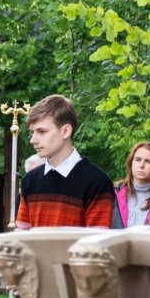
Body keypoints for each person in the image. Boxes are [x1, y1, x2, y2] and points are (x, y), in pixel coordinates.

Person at [14, 95, 114, 231]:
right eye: (32, 132)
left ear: (65, 131)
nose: (33, 140)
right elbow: (22, 238)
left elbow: (96, 245)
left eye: (41, 131)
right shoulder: (30, 180)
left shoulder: (97, 183)